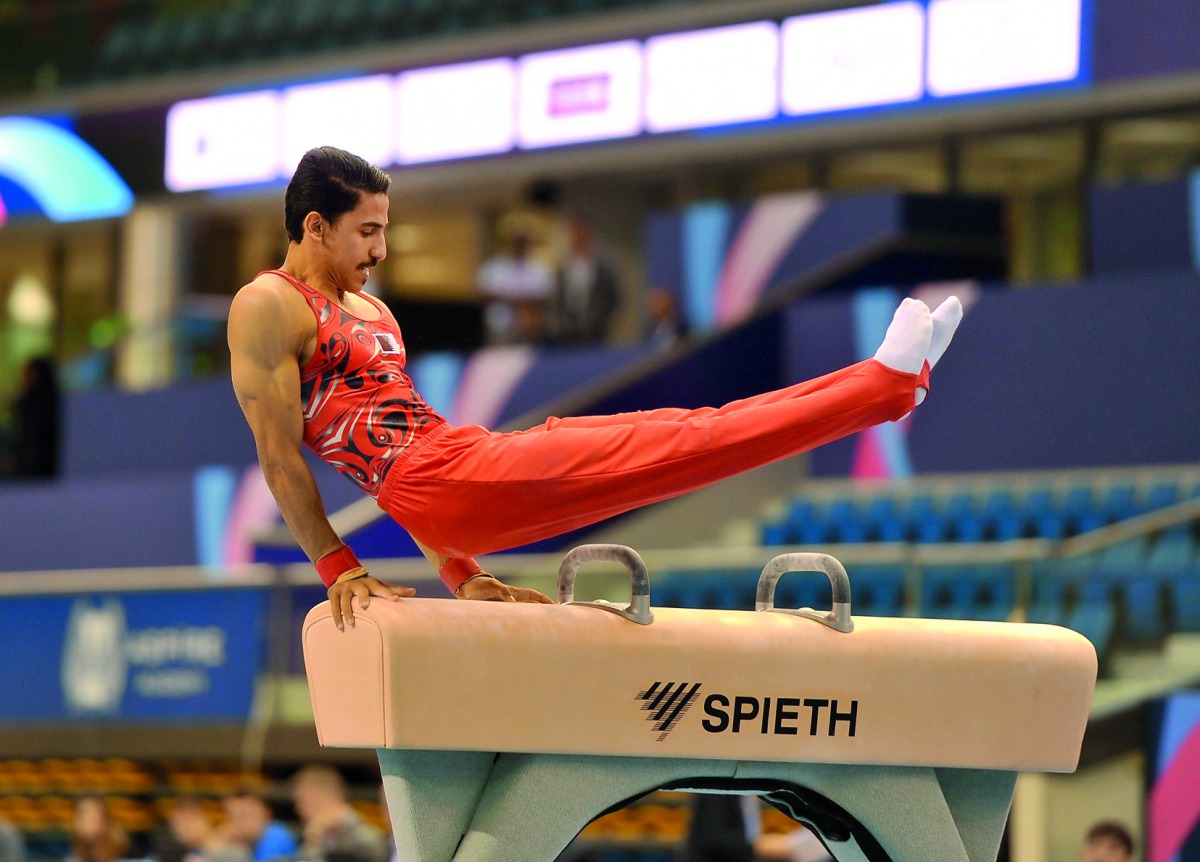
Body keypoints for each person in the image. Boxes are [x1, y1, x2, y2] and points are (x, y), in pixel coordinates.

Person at [227, 146, 963, 629]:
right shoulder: (269, 305)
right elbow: (279, 456)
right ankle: (885, 386)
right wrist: (338, 568)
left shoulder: (375, 312)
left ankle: (892, 386)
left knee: (688, 434)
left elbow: (413, 455)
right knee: (686, 441)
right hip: (438, 480)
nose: (382, 251)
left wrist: (461, 573)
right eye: (367, 232)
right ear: (316, 227)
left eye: (386, 230)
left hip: (456, 467)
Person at [474, 226, 554, 345]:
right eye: (517, 242)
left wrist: (520, 301)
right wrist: (513, 300)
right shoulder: (493, 268)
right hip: (498, 328)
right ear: (508, 244)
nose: (520, 246)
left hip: (530, 331)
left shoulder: (541, 269)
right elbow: (483, 296)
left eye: (524, 242)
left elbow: (545, 298)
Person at [290, 765, 387, 862]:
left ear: (328, 796)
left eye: (303, 800)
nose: (298, 808)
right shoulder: (320, 835)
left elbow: (377, 851)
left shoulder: (363, 832)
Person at [551, 219, 620, 345]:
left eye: (583, 235)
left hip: (596, 334)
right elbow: (557, 300)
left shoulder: (603, 268)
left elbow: (614, 298)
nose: (579, 239)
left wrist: (601, 321)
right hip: (567, 335)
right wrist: (562, 324)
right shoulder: (563, 267)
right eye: (576, 235)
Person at [3, 355, 60, 479]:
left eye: (28, 373)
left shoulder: (48, 404)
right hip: (26, 462)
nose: (24, 378)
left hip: (42, 463)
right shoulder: (25, 403)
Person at [221, 789, 297, 862]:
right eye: (232, 817)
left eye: (244, 816)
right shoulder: (250, 842)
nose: (237, 824)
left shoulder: (277, 837)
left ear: (266, 813)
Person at [166, 798, 248, 862]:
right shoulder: (193, 854)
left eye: (184, 822)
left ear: (202, 817)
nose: (180, 830)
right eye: (175, 825)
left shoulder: (232, 846)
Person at [66, 797, 128, 862]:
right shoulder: (71, 850)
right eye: (83, 816)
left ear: (105, 820)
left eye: (94, 817)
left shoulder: (124, 851)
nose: (88, 823)